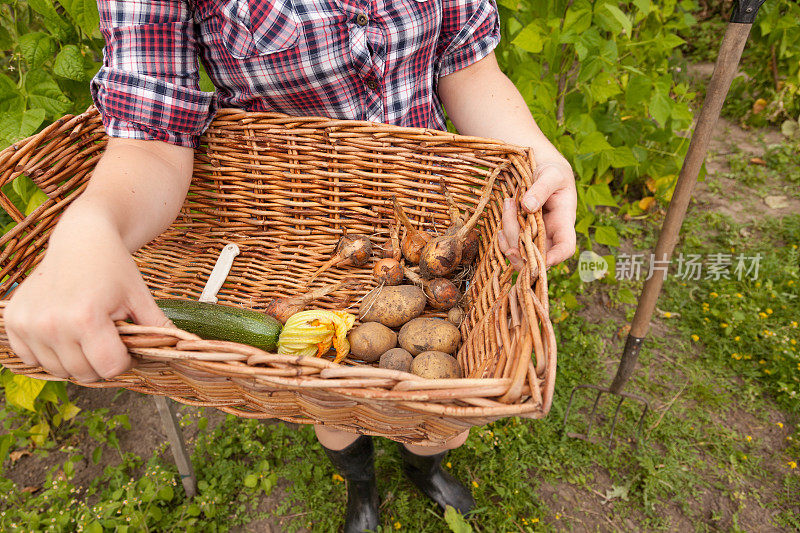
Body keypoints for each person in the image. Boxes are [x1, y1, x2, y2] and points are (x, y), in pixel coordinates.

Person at [4, 0, 576, 530]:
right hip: (289, 216)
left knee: (435, 418)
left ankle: (423, 467)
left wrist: (534, 155)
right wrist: (90, 226)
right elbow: (151, 139)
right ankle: (360, 486)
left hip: (428, 203)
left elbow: (470, 69)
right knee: (327, 398)